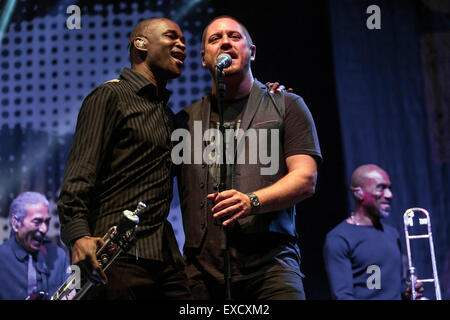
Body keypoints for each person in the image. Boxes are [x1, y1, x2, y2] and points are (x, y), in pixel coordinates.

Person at [174, 16, 322, 300]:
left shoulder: (286, 105)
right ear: (204, 58)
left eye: (234, 36)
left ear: (251, 51)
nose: (226, 42)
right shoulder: (184, 121)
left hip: (272, 268)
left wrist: (251, 201)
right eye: (215, 39)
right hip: (201, 275)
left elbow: (305, 178)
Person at [57, 18, 192, 299]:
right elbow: (80, 174)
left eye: (183, 40)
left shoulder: (168, 116)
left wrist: (270, 101)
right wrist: (78, 235)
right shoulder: (109, 96)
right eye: (171, 37)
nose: (182, 44)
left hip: (165, 259)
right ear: (140, 43)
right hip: (116, 256)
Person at [323, 164, 424, 300]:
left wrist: (408, 292)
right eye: (381, 188)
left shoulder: (392, 234)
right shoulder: (339, 238)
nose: (389, 195)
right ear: (359, 193)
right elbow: (342, 296)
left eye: (389, 188)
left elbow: (395, 287)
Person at [0, 192, 70, 300]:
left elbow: (73, 288)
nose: (44, 229)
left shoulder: (59, 255)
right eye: (37, 221)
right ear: (15, 223)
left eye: (47, 222)